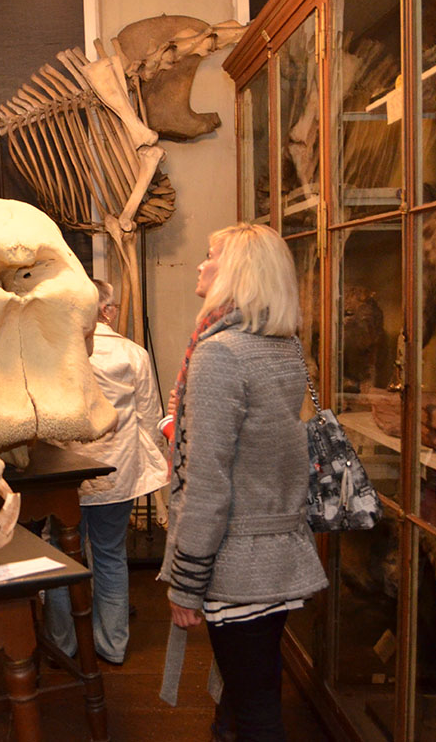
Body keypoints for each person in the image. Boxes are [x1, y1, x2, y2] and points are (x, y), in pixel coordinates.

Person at [157, 224, 327, 741]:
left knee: (255, 711)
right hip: (278, 555)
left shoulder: (220, 354)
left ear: (235, 272)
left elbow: (209, 486)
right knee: (246, 697)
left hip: (237, 564)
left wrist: (186, 583)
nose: (201, 265)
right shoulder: (283, 346)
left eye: (210, 256)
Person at [45, 279, 169, 666]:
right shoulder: (134, 354)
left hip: (64, 477)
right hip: (117, 473)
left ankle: (63, 644)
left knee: (62, 557)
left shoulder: (56, 354)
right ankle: (111, 645)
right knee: (111, 555)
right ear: (108, 310)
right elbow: (149, 419)